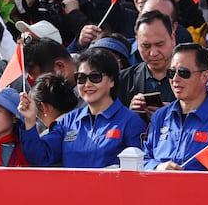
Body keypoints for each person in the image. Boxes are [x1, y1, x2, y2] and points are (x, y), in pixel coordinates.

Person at [17, 47, 146, 167]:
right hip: (72, 185)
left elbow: (140, 168)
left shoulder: (130, 121)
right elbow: (41, 156)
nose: (87, 84)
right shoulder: (68, 121)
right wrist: (30, 121)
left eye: (95, 77)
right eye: (81, 78)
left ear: (112, 80)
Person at [143, 43, 208, 170]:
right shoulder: (161, 117)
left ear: (204, 76)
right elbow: (144, 159)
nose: (175, 79)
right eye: (171, 72)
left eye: (184, 73)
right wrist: (158, 167)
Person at [117, 11, 176, 116]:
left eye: (159, 44)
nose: (153, 53)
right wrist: (129, 115)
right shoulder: (122, 80)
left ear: (172, 38)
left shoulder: (191, 76)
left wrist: (176, 112)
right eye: (146, 46)